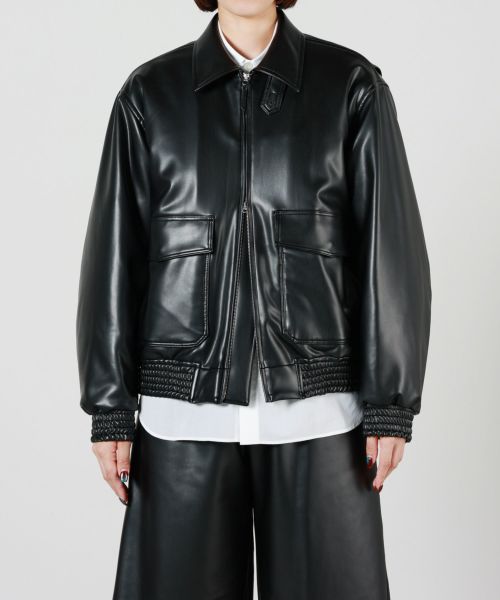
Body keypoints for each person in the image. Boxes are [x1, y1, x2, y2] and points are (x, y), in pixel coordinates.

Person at [76, 1, 432, 598]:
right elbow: (116, 252)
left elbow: (388, 247)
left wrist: (390, 401)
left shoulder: (350, 86)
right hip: (182, 408)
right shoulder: (149, 95)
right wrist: (109, 405)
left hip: (320, 409)